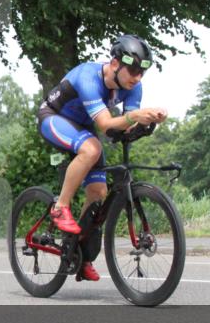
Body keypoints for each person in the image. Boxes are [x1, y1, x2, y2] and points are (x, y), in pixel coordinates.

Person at [37, 34, 167, 282]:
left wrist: (150, 120)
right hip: (53, 117)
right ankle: (60, 207)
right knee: (92, 149)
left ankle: (80, 254)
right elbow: (107, 123)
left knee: (98, 194)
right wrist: (137, 115)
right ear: (116, 63)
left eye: (142, 73)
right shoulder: (88, 77)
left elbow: (123, 127)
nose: (138, 77)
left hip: (84, 128)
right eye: (133, 70)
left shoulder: (133, 87)